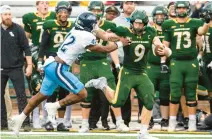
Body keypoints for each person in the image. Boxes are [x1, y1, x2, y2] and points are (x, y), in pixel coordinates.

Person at [9, 12, 130, 136]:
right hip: (59, 68)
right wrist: (121, 43)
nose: (96, 26)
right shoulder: (86, 36)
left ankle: (20, 117)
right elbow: (105, 49)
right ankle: (54, 106)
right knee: (82, 94)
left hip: (52, 65)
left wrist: (120, 38)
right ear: (89, 26)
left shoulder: (76, 29)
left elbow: (105, 36)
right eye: (94, 24)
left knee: (41, 96)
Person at [85, 9, 172, 139]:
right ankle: (102, 85)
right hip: (127, 72)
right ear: (131, 23)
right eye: (135, 23)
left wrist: (163, 50)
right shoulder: (124, 31)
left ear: (145, 24)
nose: (137, 26)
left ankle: (143, 132)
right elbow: (108, 36)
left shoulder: (150, 32)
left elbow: (158, 44)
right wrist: (97, 30)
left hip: (142, 73)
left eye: (140, 24)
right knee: (116, 102)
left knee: (149, 100)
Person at [79, 1, 128, 132]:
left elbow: (113, 46)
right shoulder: (81, 25)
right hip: (86, 62)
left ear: (102, 12)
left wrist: (117, 64)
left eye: (98, 11)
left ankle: (119, 122)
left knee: (111, 91)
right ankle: (84, 124)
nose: (95, 13)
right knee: (86, 93)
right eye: (93, 11)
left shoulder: (109, 25)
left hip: (101, 61)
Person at [162, 1, 210, 132]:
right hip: (176, 61)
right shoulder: (168, 24)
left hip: (191, 62)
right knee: (175, 92)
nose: (181, 10)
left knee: (190, 92)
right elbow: (165, 44)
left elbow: (200, 32)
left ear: (188, 9)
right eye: (179, 8)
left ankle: (192, 122)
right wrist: (163, 60)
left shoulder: (195, 22)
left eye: (183, 8)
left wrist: (206, 22)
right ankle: (171, 122)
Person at [37, 1, 73, 131]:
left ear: (69, 13)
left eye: (66, 12)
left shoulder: (73, 26)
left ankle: (61, 122)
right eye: (61, 12)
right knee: (51, 91)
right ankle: (50, 120)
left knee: (64, 92)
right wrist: (40, 61)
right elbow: (43, 45)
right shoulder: (49, 25)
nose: (63, 14)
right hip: (52, 61)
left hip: (66, 62)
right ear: (57, 13)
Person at [22, 1, 56, 128]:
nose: (45, 5)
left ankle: (48, 118)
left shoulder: (54, 15)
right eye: (42, 2)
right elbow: (26, 37)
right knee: (35, 85)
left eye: (47, 2)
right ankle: (35, 117)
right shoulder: (29, 17)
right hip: (36, 52)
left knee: (51, 86)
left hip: (50, 52)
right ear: (37, 5)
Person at [1, 5, 32, 130]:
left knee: (21, 95)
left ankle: (25, 123)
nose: (8, 17)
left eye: (9, 14)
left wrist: (29, 65)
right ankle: (2, 123)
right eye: (5, 14)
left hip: (16, 68)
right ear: (1, 16)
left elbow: (27, 48)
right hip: (1, 69)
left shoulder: (18, 29)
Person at [147, 5, 170, 130]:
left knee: (165, 94)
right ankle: (148, 118)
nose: (160, 18)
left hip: (166, 65)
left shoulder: (169, 29)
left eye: (162, 16)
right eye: (157, 16)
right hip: (151, 65)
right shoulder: (150, 30)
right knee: (148, 93)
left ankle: (165, 120)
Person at [200, 2, 212, 113]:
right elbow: (202, 43)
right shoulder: (205, 25)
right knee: (210, 92)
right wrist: (199, 56)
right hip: (206, 60)